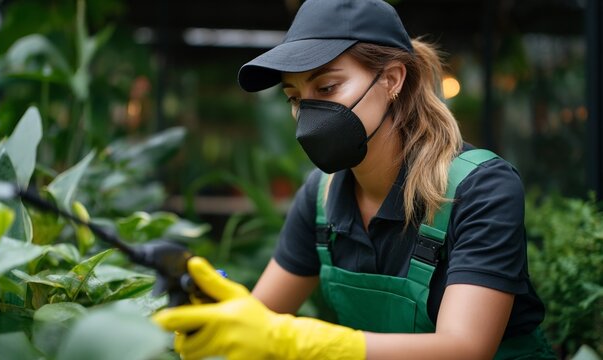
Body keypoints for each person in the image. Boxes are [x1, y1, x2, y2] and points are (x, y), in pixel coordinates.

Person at [153, 0, 556, 359]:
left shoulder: (481, 188)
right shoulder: (321, 197)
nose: (307, 114)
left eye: (327, 87)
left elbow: (465, 347)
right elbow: (262, 319)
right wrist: (216, 319)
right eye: (295, 98)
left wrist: (299, 342)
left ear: (392, 79)